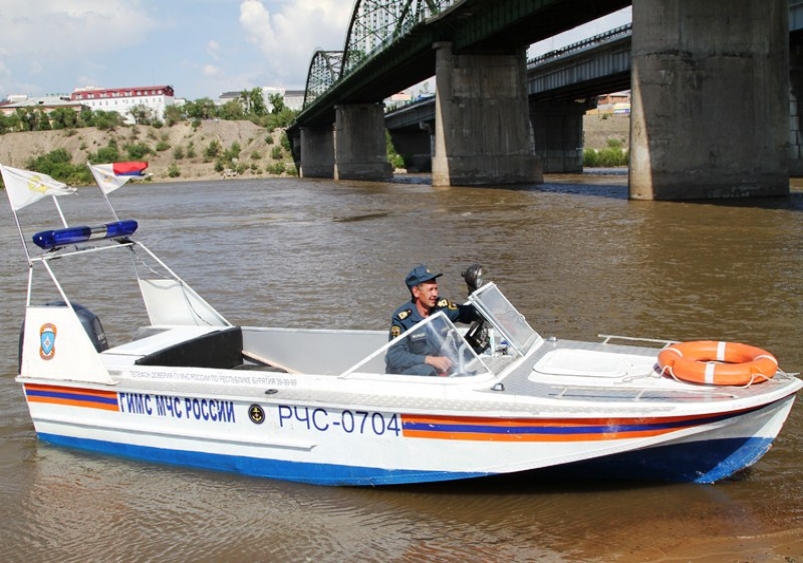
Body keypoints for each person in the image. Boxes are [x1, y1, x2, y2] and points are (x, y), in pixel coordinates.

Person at [386, 264, 479, 376]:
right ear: (416, 292)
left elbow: (468, 313)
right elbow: (394, 356)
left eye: (436, 289)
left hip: (434, 368)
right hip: (408, 374)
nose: (435, 294)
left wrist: (478, 297)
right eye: (430, 290)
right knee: (424, 370)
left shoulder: (441, 307)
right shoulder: (403, 319)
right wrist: (429, 360)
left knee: (469, 352)